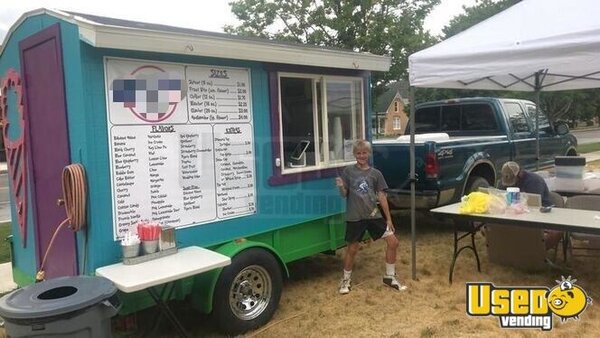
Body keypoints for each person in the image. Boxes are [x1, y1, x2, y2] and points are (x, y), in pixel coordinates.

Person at [335, 139, 407, 294]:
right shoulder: (348, 171)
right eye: (358, 153)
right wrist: (341, 186)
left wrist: (388, 218)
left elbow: (381, 197)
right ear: (354, 154)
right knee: (352, 249)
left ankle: (389, 277)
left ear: (369, 154)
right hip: (355, 217)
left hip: (373, 216)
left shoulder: (376, 174)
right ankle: (345, 280)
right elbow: (344, 194)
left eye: (364, 153)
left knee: (393, 242)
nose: (361, 156)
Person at [500, 161, 563, 251]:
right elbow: (501, 196)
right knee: (489, 227)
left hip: (542, 212)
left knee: (556, 232)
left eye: (513, 181)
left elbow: (534, 205)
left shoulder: (534, 181)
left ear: (520, 174)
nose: (511, 184)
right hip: (516, 214)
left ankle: (537, 252)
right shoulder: (503, 181)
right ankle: (511, 250)